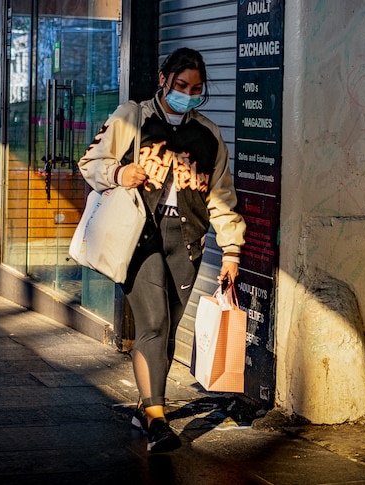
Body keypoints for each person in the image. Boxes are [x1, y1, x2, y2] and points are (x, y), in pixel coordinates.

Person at [77, 47, 246, 453]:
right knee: (152, 324)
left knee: (166, 330)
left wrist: (231, 251)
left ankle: (144, 407)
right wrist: (119, 171)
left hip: (186, 243)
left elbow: (221, 196)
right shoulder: (131, 118)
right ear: (163, 79)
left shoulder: (207, 135)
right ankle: (157, 419)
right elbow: (89, 162)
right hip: (140, 236)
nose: (187, 93)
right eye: (181, 85)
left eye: (196, 88)